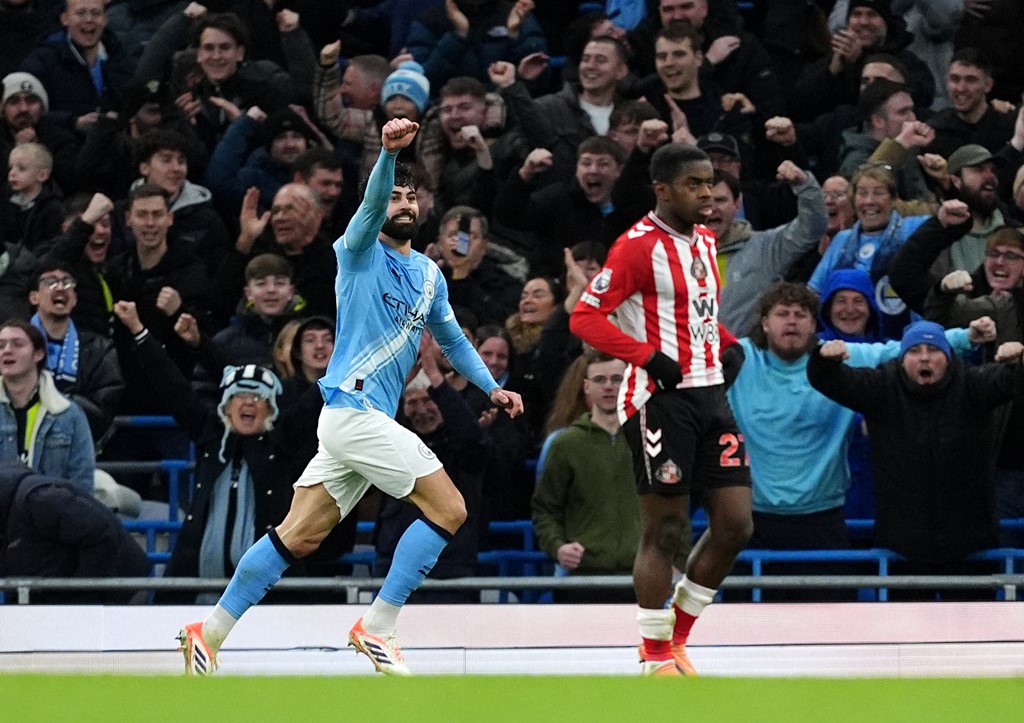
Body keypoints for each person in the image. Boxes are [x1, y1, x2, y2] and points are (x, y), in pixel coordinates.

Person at [177, 118, 523, 677]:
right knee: (450, 508)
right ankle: (379, 625)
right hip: (354, 412)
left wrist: (492, 387)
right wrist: (387, 155)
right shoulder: (358, 250)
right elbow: (371, 205)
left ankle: (209, 631)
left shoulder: (429, 274)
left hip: (359, 421)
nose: (403, 203)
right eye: (394, 196)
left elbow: (454, 341)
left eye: (411, 196)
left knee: (300, 534)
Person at [570, 142, 750, 677]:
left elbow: (693, 315)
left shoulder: (705, 242)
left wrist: (727, 343)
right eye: (694, 184)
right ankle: (654, 656)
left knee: (736, 525)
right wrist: (647, 357)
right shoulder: (635, 247)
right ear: (663, 190)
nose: (707, 193)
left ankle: (676, 638)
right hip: (658, 400)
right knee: (666, 530)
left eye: (710, 183)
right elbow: (585, 317)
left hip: (711, 395)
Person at [807, 321, 1024, 598]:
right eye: (914, 351)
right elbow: (828, 379)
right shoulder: (883, 386)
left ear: (948, 357)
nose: (924, 357)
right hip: (902, 547)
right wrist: (824, 360)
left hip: (971, 545)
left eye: (933, 350)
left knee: (972, 625)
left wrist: (1020, 362)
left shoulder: (971, 383)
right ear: (901, 359)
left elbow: (1008, 381)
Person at [531, 351, 642, 602]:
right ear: (586, 387)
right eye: (600, 379)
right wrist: (558, 547)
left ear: (629, 383)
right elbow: (544, 510)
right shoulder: (566, 445)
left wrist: (677, 559)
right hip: (582, 579)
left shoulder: (650, 441)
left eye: (617, 379)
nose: (609, 386)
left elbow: (674, 506)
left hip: (642, 575)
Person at [0, 461, 150, 604]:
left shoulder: (41, 500)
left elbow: (102, 536)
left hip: (119, 589)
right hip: (59, 596)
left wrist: (80, 598)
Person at [28, 263, 124, 442]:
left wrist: (59, 402)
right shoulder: (11, 345)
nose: (60, 287)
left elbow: (104, 408)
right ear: (34, 297)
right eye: (50, 282)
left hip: (78, 444)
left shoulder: (98, 348)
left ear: (74, 299)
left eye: (67, 282)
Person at [0, 319, 94, 491]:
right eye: (1, 345)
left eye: (17, 344)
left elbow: (81, 485)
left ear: (38, 354)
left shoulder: (69, 414)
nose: (7, 350)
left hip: (52, 507)